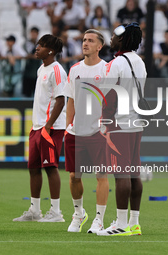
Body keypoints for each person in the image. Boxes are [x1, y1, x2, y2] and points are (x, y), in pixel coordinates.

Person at [97, 23, 146, 236]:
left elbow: (108, 95)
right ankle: (134, 223)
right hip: (136, 122)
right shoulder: (140, 62)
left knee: (120, 174)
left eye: (116, 35)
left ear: (123, 40)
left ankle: (120, 223)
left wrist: (104, 121)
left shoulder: (116, 63)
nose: (111, 38)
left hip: (118, 123)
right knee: (134, 173)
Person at [13, 34, 67, 222]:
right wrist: (38, 126)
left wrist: (48, 126)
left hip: (51, 128)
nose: (37, 48)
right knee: (33, 168)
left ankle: (56, 212)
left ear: (51, 50)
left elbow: (61, 100)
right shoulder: (41, 69)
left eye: (41, 45)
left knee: (51, 167)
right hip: (38, 127)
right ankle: (35, 211)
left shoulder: (57, 70)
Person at [64, 29, 109, 233]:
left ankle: (99, 219)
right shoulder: (74, 70)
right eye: (84, 40)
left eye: (90, 40)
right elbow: (71, 100)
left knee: (101, 175)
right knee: (74, 176)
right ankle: (79, 213)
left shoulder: (108, 70)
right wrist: (67, 127)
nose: (85, 43)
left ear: (100, 46)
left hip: (98, 132)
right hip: (76, 132)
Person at [22, 27, 42, 97]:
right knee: (27, 94)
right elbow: (24, 54)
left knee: (37, 95)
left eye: (35, 33)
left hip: (37, 72)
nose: (33, 35)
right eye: (32, 33)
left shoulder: (41, 44)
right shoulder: (26, 44)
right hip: (27, 71)